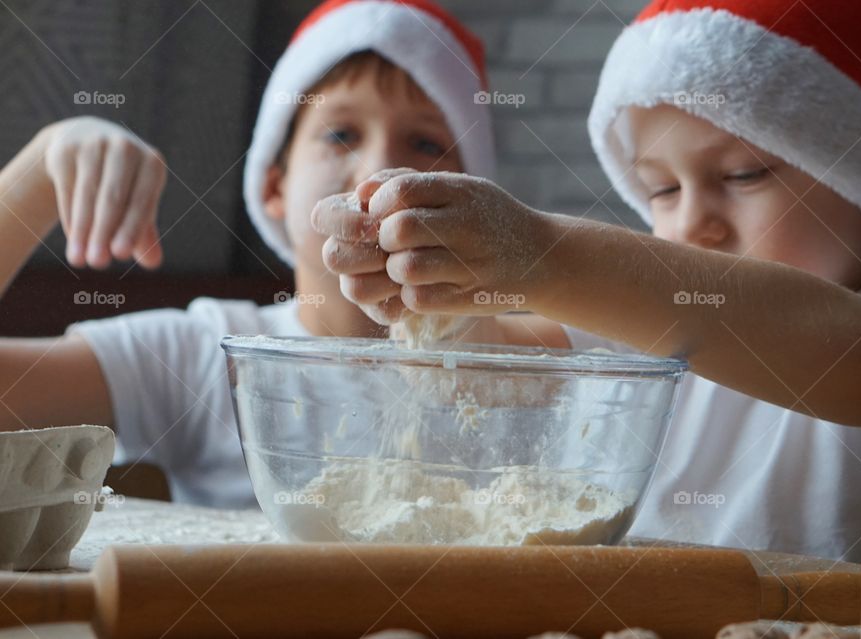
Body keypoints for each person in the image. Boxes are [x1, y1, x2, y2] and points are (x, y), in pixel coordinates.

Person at [315, 0, 861, 561]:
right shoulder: (648, 324)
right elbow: (504, 362)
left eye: (743, 175)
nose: (694, 222)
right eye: (661, 189)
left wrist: (545, 254)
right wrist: (439, 295)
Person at [0, 0, 498, 507]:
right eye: (341, 134)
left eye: (424, 141)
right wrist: (38, 173)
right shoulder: (208, 356)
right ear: (274, 187)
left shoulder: (522, 367)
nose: (381, 169)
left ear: (472, 197)